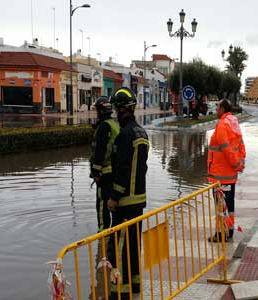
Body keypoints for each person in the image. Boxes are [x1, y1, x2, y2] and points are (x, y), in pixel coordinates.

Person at [107, 87, 149, 300]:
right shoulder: (142, 132)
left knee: (121, 248)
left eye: (116, 108)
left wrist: (114, 197)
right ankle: (134, 286)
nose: (115, 112)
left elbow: (123, 170)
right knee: (134, 247)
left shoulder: (125, 135)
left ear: (122, 109)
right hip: (139, 200)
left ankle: (119, 293)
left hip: (125, 201)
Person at [207, 99, 246, 242]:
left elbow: (226, 149)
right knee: (229, 205)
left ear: (222, 109)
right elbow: (241, 144)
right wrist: (240, 163)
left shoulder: (223, 124)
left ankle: (221, 234)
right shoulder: (233, 121)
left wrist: (236, 164)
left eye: (217, 107)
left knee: (220, 206)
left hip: (220, 176)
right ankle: (229, 230)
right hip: (230, 175)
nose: (216, 110)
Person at [90, 96, 120, 232]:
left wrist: (96, 172)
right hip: (115, 172)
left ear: (101, 111)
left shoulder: (104, 127)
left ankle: (102, 235)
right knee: (112, 204)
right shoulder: (114, 124)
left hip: (105, 173)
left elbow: (100, 150)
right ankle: (114, 232)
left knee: (102, 204)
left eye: (97, 111)